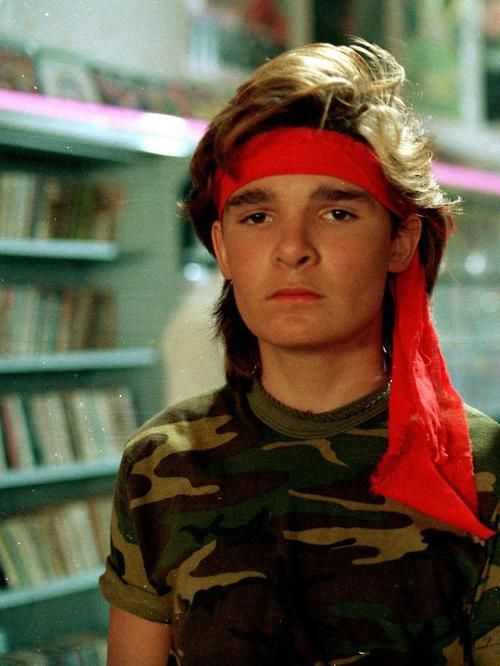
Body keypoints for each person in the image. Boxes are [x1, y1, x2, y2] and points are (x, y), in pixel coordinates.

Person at [99, 38, 500, 665]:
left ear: (401, 241)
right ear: (223, 247)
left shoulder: (482, 471)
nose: (292, 248)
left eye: (337, 212)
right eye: (257, 217)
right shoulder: (163, 464)